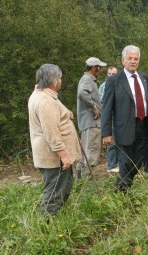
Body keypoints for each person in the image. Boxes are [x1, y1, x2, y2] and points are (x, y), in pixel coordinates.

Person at [28, 64, 82, 216]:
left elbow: (53, 118)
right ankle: (48, 226)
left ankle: (56, 219)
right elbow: (51, 131)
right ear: (53, 80)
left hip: (50, 155)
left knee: (62, 188)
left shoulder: (40, 95)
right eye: (60, 78)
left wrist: (66, 114)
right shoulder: (46, 101)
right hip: (54, 157)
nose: (61, 81)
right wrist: (64, 156)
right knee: (54, 193)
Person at [101, 45, 148, 191]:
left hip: (143, 124)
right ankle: (123, 192)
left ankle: (121, 185)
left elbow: (146, 100)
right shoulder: (114, 80)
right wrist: (106, 132)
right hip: (124, 127)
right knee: (126, 161)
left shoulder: (144, 77)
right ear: (123, 61)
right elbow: (106, 108)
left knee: (139, 160)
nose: (133, 61)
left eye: (136, 59)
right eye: (130, 58)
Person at [76, 57, 106, 178]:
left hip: (87, 123)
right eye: (99, 67)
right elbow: (82, 93)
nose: (101, 70)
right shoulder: (87, 79)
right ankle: (86, 180)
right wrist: (93, 107)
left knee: (85, 150)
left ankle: (80, 176)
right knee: (92, 149)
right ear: (94, 68)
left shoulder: (87, 79)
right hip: (92, 122)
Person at [99, 66, 120, 173]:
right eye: (110, 74)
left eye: (114, 74)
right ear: (107, 75)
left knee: (120, 141)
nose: (112, 76)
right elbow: (102, 104)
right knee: (111, 142)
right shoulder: (104, 86)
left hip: (120, 118)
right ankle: (111, 166)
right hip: (110, 117)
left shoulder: (121, 85)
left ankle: (119, 164)